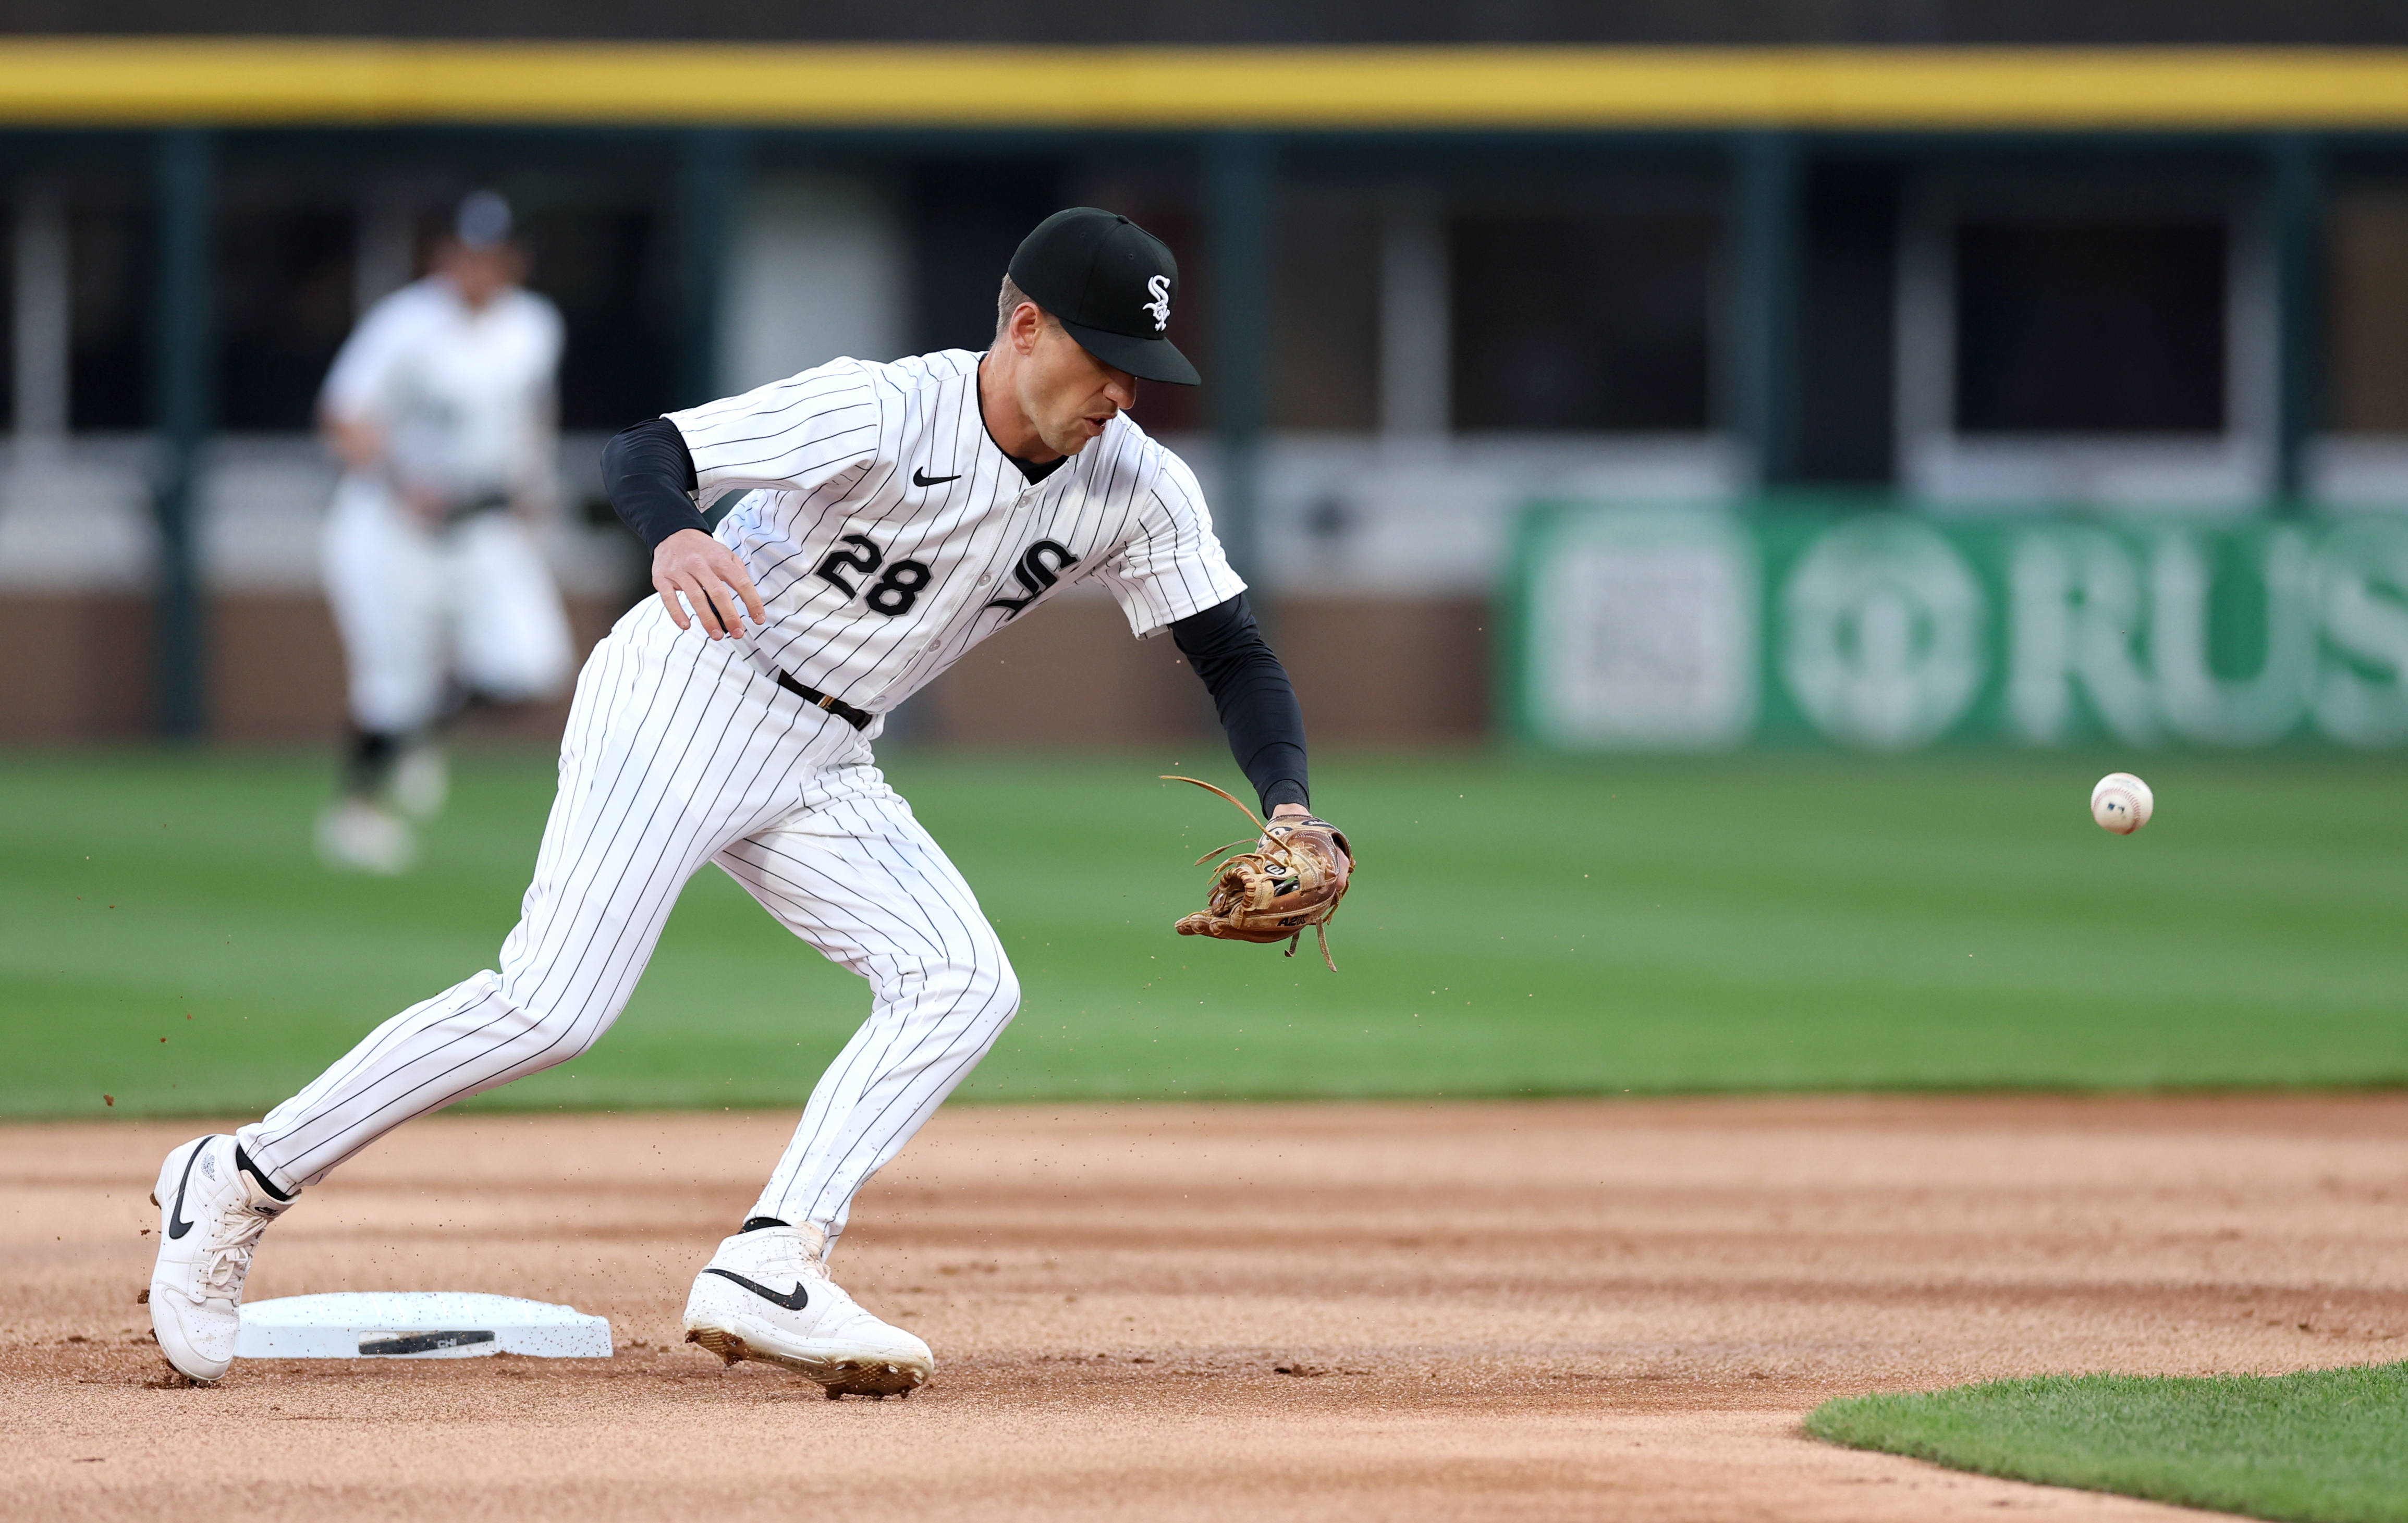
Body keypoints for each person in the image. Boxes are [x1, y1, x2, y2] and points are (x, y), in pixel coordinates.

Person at [146, 207, 1331, 1397]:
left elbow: (1234, 653)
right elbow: (649, 448)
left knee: (963, 983)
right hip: (693, 683)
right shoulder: (883, 407)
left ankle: (772, 1259)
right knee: (554, 1007)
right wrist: (670, 538)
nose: (1126, 391)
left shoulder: (1135, 484)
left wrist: (1289, 803)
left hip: (825, 752)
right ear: (1027, 328)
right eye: (1109, 359)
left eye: (1146, 368)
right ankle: (237, 1176)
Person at [314, 190, 576, 874]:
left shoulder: (533, 325)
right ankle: (357, 812)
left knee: (530, 665)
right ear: (444, 257)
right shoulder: (407, 323)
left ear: (514, 262)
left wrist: (534, 485)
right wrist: (400, 479)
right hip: (393, 523)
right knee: (388, 683)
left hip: (483, 518)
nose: (478, 270)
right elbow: (343, 416)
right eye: (466, 255)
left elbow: (533, 412)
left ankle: (419, 734)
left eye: (492, 257)